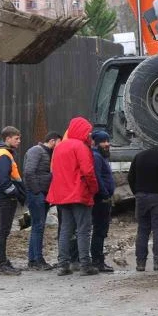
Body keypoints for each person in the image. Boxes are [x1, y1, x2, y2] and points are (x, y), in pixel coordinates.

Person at [47, 117, 100, 276]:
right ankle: (85, 265)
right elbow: (88, 171)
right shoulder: (81, 147)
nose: (89, 135)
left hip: (62, 195)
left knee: (65, 230)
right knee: (83, 230)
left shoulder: (59, 147)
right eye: (88, 132)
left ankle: (63, 265)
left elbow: (54, 170)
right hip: (78, 193)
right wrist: (94, 189)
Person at [128, 147, 158, 271]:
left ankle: (140, 263)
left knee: (142, 230)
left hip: (141, 198)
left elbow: (130, 177)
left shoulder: (139, 156)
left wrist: (137, 192)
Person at [0, 126, 26, 276]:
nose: (19, 141)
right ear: (8, 138)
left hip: (4, 196)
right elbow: (4, 181)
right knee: (3, 230)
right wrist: (15, 194)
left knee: (4, 230)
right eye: (16, 138)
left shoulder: (3, 153)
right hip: (5, 197)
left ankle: (3, 262)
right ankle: (2, 264)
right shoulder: (4, 155)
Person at [22, 131, 62, 270]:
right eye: (59, 143)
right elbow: (28, 172)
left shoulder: (48, 153)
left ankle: (34, 260)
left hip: (43, 194)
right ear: (52, 141)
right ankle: (37, 260)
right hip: (37, 194)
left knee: (38, 226)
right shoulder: (36, 151)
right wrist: (37, 191)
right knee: (38, 226)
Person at [90, 130, 115, 273]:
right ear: (96, 143)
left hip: (103, 198)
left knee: (101, 230)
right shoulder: (97, 157)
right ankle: (97, 261)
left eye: (107, 141)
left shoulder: (101, 156)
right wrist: (105, 193)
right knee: (99, 230)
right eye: (103, 142)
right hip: (100, 199)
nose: (107, 144)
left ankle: (98, 260)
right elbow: (97, 177)